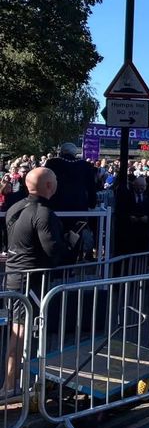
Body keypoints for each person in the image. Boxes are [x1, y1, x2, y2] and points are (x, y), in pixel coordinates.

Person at [3, 167, 69, 394]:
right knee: (20, 334)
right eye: (56, 180)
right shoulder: (43, 213)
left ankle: (18, 383)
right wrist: (69, 244)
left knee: (19, 332)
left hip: (15, 276)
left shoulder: (15, 207)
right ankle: (11, 386)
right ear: (49, 186)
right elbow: (52, 250)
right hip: (30, 281)